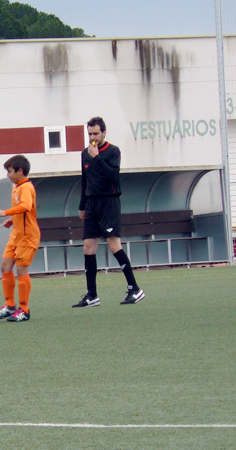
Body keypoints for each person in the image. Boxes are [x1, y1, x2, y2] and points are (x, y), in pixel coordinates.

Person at [73, 116, 145, 308]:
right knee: (88, 248)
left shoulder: (113, 151)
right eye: (90, 134)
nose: (92, 138)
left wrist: (97, 157)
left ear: (104, 133)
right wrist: (82, 206)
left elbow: (114, 176)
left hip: (109, 203)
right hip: (91, 204)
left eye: (96, 134)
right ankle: (92, 295)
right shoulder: (84, 154)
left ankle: (135, 289)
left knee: (114, 246)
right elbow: (84, 181)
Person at [0, 155, 40, 322]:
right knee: (5, 266)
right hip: (16, 235)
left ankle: (24, 309)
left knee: (21, 271)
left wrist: (6, 212)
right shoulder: (16, 187)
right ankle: (10, 305)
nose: (8, 175)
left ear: (20, 171)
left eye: (10, 171)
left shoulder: (26, 186)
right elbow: (23, 210)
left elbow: (26, 206)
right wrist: (12, 220)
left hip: (27, 236)